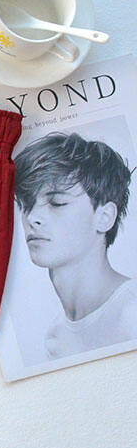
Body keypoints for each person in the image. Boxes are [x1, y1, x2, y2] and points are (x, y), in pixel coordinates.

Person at [13, 131, 137, 359]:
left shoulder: (131, 316)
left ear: (105, 217)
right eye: (25, 204)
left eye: (57, 202)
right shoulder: (55, 337)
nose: (32, 217)